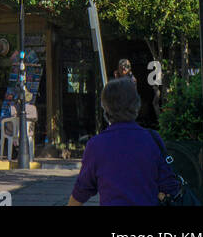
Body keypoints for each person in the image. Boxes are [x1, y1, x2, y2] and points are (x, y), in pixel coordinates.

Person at [67, 76, 180, 207]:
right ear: (136, 104)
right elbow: (170, 186)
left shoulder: (96, 145)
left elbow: (81, 191)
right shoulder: (152, 139)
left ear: (106, 107)